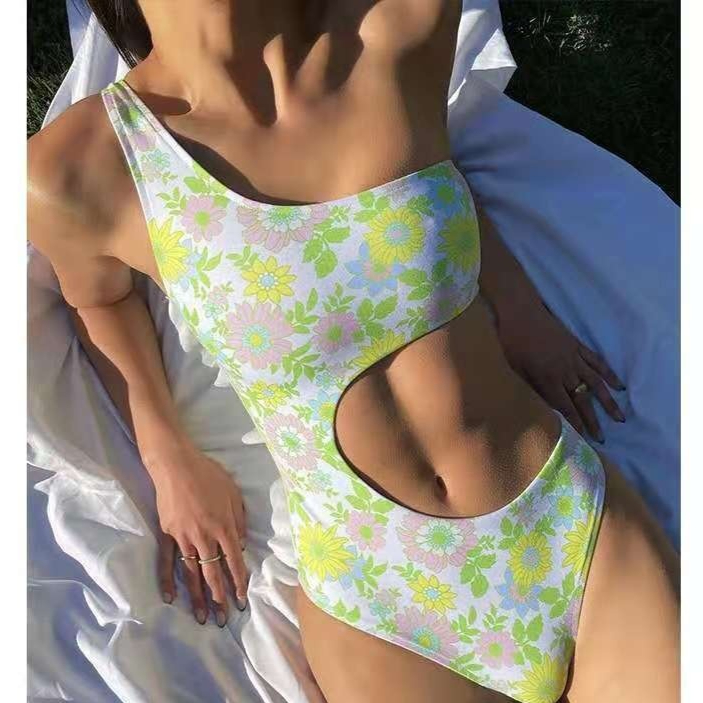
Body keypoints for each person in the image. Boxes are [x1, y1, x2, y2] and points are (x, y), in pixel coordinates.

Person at [27, 1, 679, 701]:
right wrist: (168, 459)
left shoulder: (393, 30)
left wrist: (518, 306)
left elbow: (429, 171)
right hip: (383, 602)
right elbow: (100, 299)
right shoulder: (81, 169)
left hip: (564, 528)